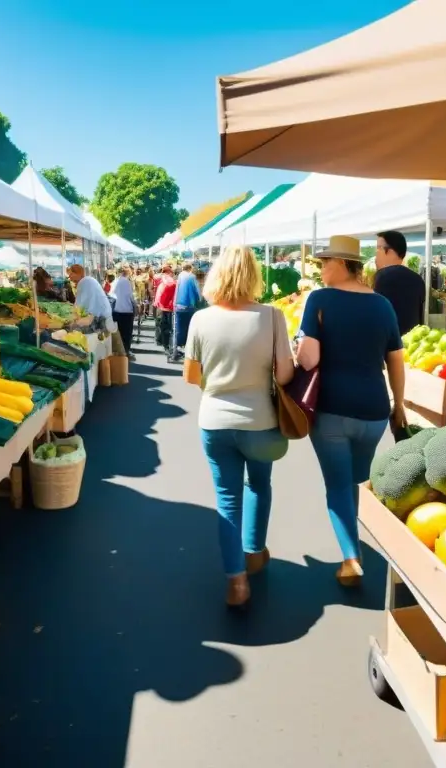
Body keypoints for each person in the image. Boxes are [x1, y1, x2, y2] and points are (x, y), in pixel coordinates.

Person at [183, 246, 294, 608]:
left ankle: (235, 580)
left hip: (214, 421)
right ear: (253, 276)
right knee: (259, 485)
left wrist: (218, 386)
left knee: (227, 500)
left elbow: (190, 376)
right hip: (261, 421)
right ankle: (254, 552)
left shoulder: (201, 319)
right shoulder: (272, 316)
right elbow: (284, 373)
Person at [296, 235, 406, 587]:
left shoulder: (319, 300)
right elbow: (396, 361)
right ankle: (354, 539)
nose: (321, 269)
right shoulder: (383, 305)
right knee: (357, 480)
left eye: (325, 262)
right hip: (374, 411)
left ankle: (350, 557)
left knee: (337, 486)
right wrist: (399, 403)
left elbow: (309, 358)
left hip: (331, 408)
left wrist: (298, 347)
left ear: (343, 264)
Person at [373, 230, 426, 334]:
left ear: (390, 251)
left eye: (378, 248)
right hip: (412, 343)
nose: (376, 254)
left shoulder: (383, 277)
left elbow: (377, 316)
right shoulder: (417, 279)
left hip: (389, 344)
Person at [67, 264, 113, 329]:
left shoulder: (83, 282)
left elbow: (78, 306)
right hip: (105, 316)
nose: (69, 276)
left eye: (71, 273)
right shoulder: (88, 279)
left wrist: (71, 321)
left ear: (78, 273)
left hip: (100, 319)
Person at [172, 263, 201, 362]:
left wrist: (174, 303)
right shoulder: (192, 277)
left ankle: (178, 347)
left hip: (179, 306)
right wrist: (199, 300)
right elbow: (197, 292)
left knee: (179, 327)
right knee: (189, 327)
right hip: (190, 305)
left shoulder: (180, 276)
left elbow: (176, 290)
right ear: (190, 269)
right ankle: (187, 349)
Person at [109, 266, 137, 359]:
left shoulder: (114, 282)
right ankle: (126, 351)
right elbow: (131, 296)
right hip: (126, 310)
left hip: (116, 310)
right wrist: (136, 306)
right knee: (127, 333)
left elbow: (110, 295)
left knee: (118, 332)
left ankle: (119, 351)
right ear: (126, 273)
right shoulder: (126, 282)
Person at [154, 265, 176, 351]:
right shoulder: (169, 279)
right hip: (166, 306)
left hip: (158, 304)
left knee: (159, 323)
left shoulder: (157, 278)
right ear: (169, 272)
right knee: (166, 325)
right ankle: (165, 344)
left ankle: (159, 340)